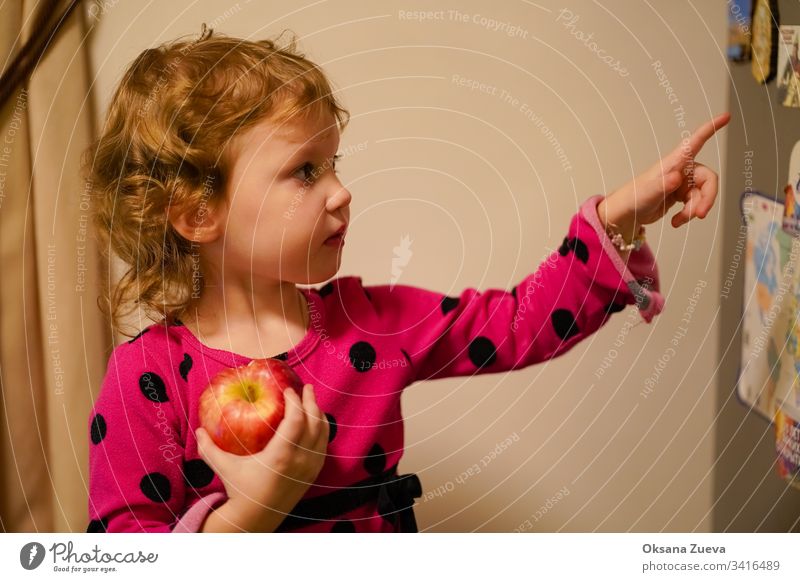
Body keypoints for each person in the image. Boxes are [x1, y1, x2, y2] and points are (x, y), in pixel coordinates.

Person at [82, 25, 729, 533]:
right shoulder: (146, 379)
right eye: (304, 171)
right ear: (199, 213)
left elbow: (520, 322)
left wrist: (620, 214)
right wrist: (248, 517)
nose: (341, 192)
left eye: (333, 162)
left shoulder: (368, 323)